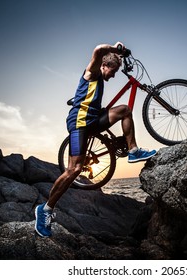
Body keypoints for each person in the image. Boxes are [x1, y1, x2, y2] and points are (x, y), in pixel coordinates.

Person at [35, 42, 156, 237]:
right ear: (103, 65)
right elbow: (98, 50)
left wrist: (122, 56)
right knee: (74, 169)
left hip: (92, 120)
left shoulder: (101, 77)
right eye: (112, 71)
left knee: (124, 110)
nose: (113, 75)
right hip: (79, 124)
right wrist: (116, 49)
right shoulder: (92, 72)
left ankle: (133, 151)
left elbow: (108, 59)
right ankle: (45, 209)